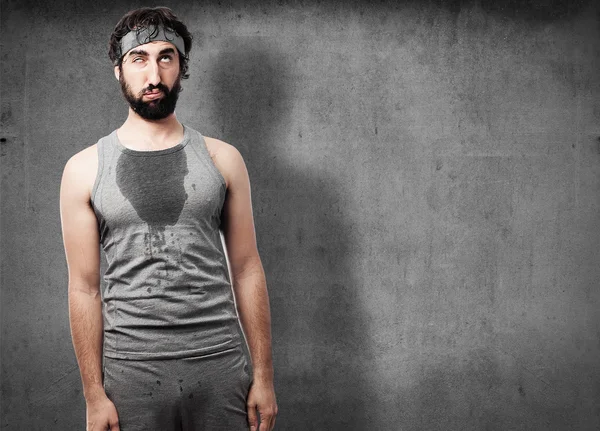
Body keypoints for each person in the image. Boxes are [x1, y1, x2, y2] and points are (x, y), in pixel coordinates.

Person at [59, 7, 277, 431]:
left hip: (220, 367)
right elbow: (84, 288)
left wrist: (264, 377)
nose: (153, 74)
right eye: (138, 58)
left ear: (182, 67)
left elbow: (248, 269)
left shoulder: (223, 159)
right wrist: (93, 395)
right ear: (118, 71)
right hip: (131, 377)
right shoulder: (84, 169)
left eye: (166, 57)